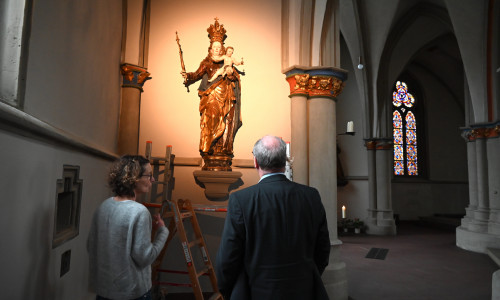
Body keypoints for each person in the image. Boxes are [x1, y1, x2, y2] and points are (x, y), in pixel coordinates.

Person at [216, 135, 331, 299]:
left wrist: (227, 290)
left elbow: (228, 257)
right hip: (303, 291)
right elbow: (323, 249)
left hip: (257, 291)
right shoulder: (311, 196)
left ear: (255, 162)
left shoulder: (241, 200)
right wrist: (305, 279)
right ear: (285, 160)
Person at [87, 155, 169, 300]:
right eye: (149, 175)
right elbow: (145, 258)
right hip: (132, 294)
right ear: (134, 178)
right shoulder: (139, 212)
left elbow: (90, 245)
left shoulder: (104, 206)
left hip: (104, 291)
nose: (153, 180)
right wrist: (162, 231)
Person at [181, 19, 242, 171]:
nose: (216, 49)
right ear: (210, 48)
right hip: (211, 97)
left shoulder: (227, 62)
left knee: (226, 120)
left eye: (219, 47)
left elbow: (235, 77)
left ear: (222, 49)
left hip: (226, 96)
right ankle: (210, 149)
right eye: (214, 47)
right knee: (211, 120)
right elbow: (196, 74)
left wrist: (231, 75)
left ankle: (222, 149)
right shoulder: (207, 62)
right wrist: (187, 76)